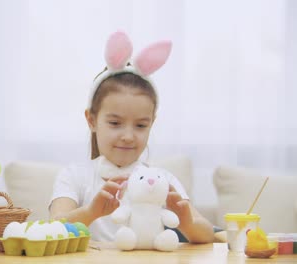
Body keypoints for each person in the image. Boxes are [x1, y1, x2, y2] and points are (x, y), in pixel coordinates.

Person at [49, 31, 215, 244]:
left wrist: (187, 222)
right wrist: (91, 212)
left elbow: (207, 234)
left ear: (151, 123)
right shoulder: (74, 176)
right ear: (91, 120)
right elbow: (54, 228)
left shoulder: (160, 180)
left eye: (140, 125)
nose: (128, 136)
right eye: (115, 123)